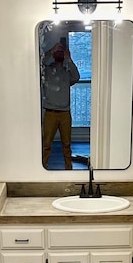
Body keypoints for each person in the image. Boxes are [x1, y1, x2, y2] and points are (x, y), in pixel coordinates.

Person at [41, 41, 80, 170]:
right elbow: (37, 64)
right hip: (50, 113)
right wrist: (51, 50)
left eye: (61, 51)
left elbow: (77, 77)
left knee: (67, 144)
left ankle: (68, 168)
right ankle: (43, 166)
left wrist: (69, 59)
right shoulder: (46, 71)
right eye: (57, 51)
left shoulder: (66, 72)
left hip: (65, 114)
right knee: (46, 144)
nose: (59, 53)